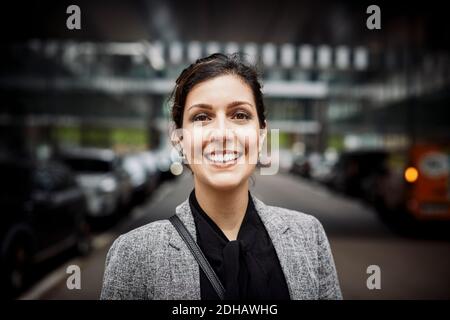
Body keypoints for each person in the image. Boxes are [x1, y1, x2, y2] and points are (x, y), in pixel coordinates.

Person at [100, 53, 342, 300]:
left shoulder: (309, 237)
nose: (222, 134)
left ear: (261, 134)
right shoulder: (134, 254)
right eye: (202, 117)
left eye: (240, 115)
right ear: (180, 137)